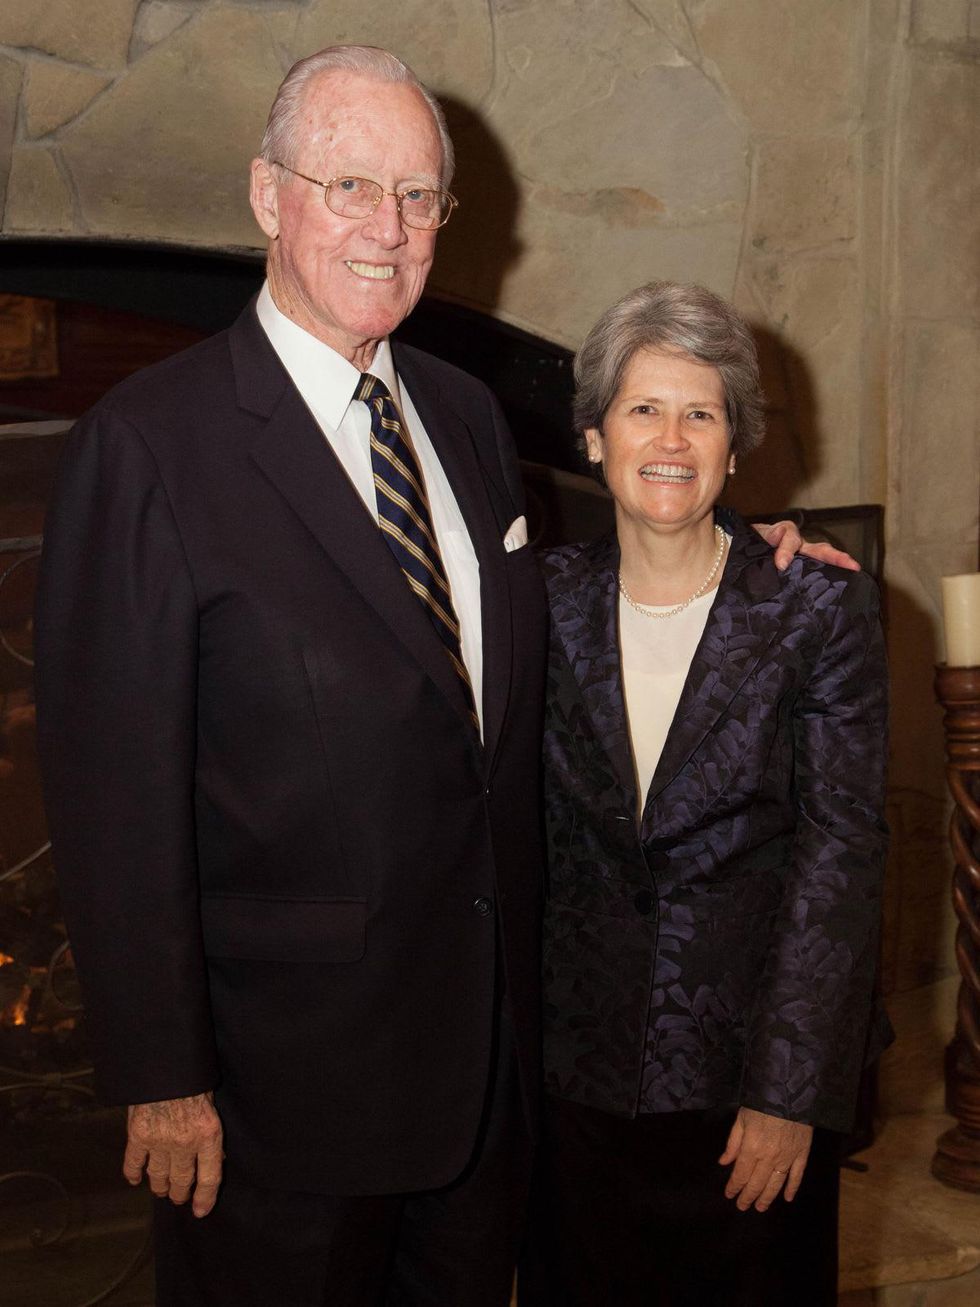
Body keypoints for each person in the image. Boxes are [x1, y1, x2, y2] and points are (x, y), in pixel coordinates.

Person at [34, 45, 842, 1307]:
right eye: (350, 185)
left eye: (418, 196)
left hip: (484, 1082)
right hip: (276, 1101)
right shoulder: (148, 446)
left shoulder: (464, 417)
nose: (388, 227)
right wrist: (161, 1072)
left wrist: (748, 560)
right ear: (267, 195)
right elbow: (108, 794)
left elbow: (563, 620)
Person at [520, 281, 889, 1307]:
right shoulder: (534, 602)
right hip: (570, 1093)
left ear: (734, 445)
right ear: (594, 437)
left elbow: (841, 862)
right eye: (643, 408)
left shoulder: (816, 607)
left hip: (745, 1099)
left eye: (701, 412)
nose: (671, 440)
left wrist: (789, 1094)